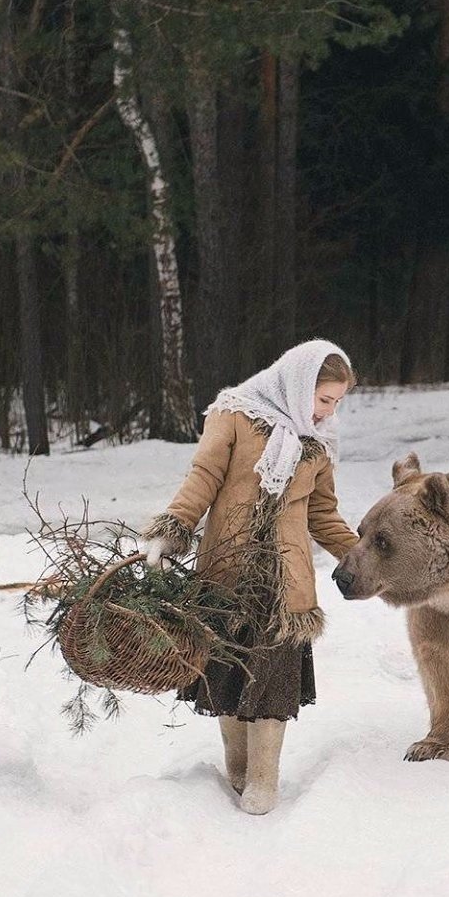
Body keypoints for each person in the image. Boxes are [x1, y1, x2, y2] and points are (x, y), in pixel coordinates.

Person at [141, 339, 359, 815]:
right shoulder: (234, 415)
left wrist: (360, 558)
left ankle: (264, 779)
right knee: (227, 678)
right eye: (324, 400)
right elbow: (203, 477)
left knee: (273, 681)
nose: (328, 412)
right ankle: (236, 764)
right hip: (227, 571)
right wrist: (174, 527)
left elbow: (323, 514)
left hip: (288, 580)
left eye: (337, 403)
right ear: (298, 386)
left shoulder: (319, 443)